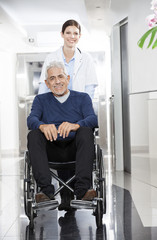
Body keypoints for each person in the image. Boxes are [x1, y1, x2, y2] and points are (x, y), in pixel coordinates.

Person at [27, 61, 98, 211]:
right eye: (52, 78)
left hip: (76, 149)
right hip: (51, 150)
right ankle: (46, 191)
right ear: (46, 83)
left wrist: (76, 125)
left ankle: (83, 190)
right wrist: (42, 125)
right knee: (34, 134)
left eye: (60, 76)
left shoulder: (82, 98)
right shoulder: (40, 100)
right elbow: (31, 119)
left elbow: (93, 119)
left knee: (86, 131)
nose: (57, 81)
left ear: (68, 78)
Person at [38, 19, 98, 99]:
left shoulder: (86, 58)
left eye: (75, 33)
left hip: (78, 107)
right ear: (62, 34)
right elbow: (43, 86)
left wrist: (85, 108)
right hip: (55, 106)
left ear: (79, 36)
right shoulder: (51, 58)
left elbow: (90, 87)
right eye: (68, 33)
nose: (72, 36)